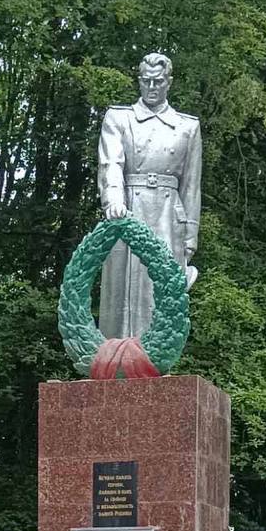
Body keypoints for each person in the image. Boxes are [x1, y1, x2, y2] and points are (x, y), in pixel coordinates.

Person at [97, 52, 202, 341]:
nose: (151, 87)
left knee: (161, 293)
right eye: (146, 81)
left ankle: (155, 356)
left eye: (158, 81)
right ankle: (117, 356)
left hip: (169, 216)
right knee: (121, 295)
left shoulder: (187, 127)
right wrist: (114, 201)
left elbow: (191, 186)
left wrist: (190, 236)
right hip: (128, 208)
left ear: (169, 82)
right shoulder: (120, 118)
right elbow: (110, 164)